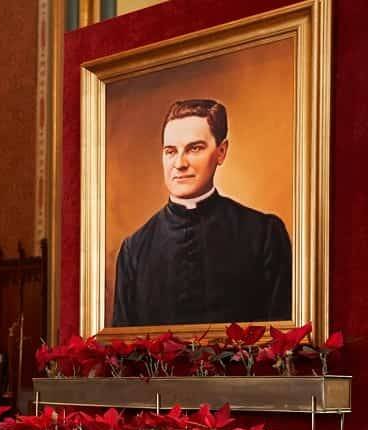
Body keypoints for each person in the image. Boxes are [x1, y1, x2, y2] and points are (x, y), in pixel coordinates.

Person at [111, 99, 292, 327]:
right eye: (170, 151)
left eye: (194, 148)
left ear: (221, 152)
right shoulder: (134, 249)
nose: (179, 163)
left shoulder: (264, 234)